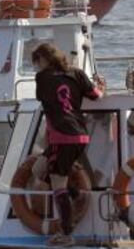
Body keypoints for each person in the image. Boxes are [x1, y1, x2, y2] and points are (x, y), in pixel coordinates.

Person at [30, 43, 105, 247]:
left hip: (63, 136)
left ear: (44, 59)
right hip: (78, 136)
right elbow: (97, 96)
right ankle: (75, 194)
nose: (36, 66)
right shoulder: (78, 73)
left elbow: (44, 99)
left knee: (57, 183)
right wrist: (97, 86)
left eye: (36, 61)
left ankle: (66, 235)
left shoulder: (43, 77)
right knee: (39, 170)